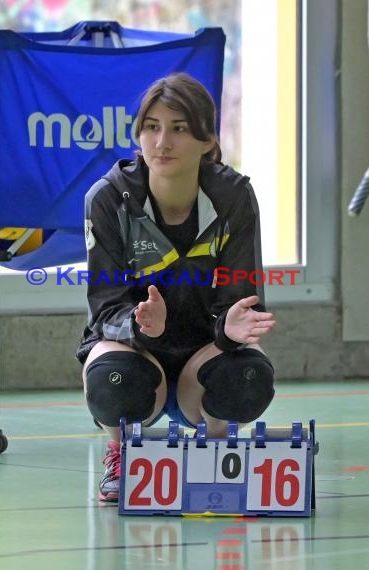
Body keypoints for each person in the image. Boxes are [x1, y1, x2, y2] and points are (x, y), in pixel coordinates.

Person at [76, 72, 276, 502]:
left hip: (204, 353)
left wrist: (232, 329)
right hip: (134, 348)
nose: (162, 142)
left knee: (249, 375)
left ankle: (218, 447)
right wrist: (139, 324)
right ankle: (121, 450)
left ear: (207, 141)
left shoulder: (235, 197)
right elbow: (104, 306)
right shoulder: (108, 199)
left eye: (179, 129)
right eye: (152, 127)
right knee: (113, 380)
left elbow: (241, 297)